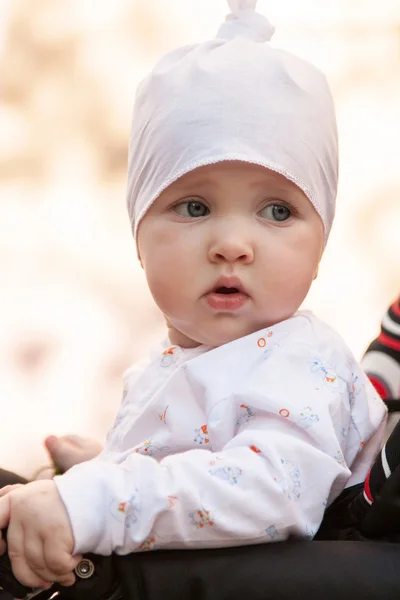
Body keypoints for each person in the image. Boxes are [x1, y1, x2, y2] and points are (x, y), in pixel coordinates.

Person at [0, 0, 387, 593]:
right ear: (138, 237)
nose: (232, 243)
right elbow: (198, 475)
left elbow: (269, 492)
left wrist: (98, 499)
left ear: (320, 248)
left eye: (278, 211)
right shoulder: (166, 363)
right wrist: (113, 466)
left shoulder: (303, 363)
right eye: (195, 206)